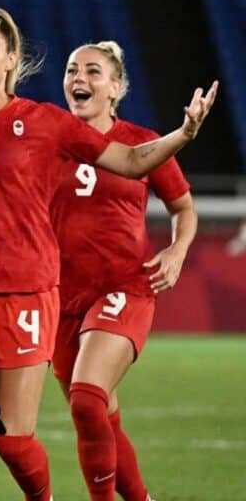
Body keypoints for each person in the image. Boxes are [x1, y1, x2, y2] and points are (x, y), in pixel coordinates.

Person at [0, 7, 218, 500]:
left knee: (27, 434)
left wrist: (184, 135)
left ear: (11, 59)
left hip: (41, 295)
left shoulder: (47, 125)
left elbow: (136, 164)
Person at [51, 41, 196, 501]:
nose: (79, 79)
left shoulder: (140, 142)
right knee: (99, 414)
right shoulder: (46, 139)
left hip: (123, 287)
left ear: (115, 88)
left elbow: (183, 208)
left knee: (87, 397)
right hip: (57, 298)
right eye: (73, 69)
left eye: (93, 72)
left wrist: (177, 249)